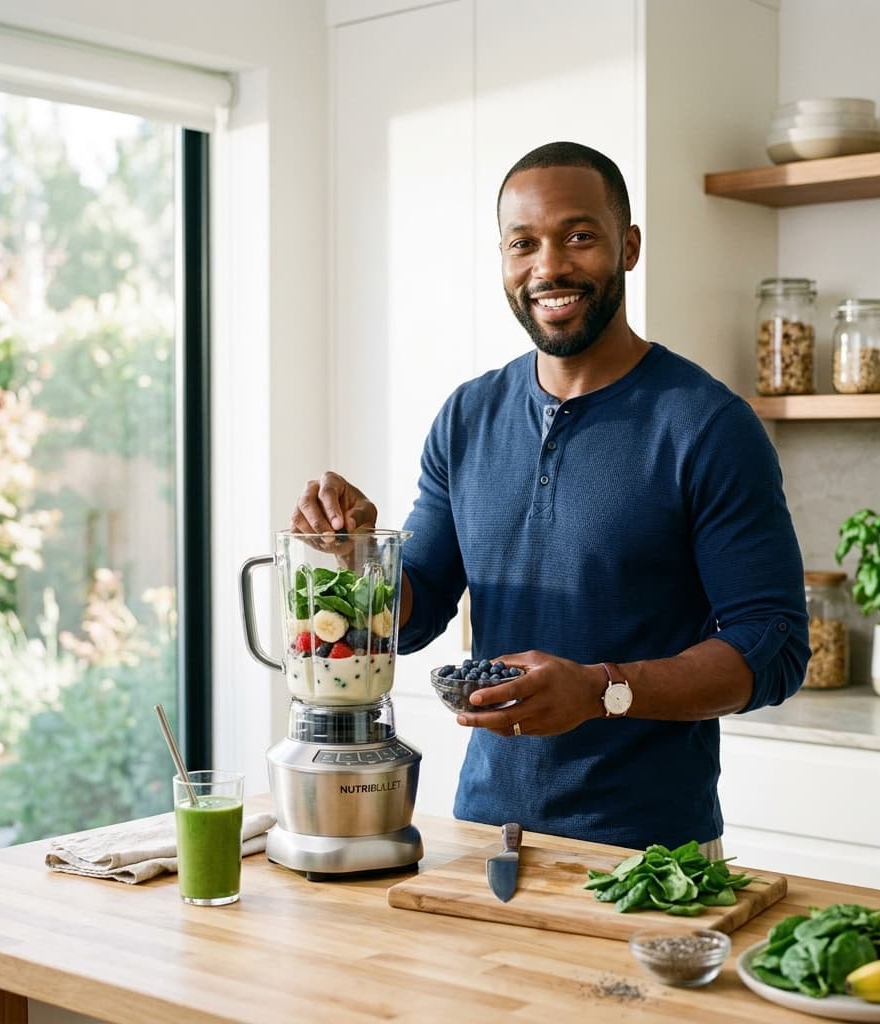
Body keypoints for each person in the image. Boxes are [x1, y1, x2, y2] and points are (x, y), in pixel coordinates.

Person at [292, 141, 809, 853]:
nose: (549, 267)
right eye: (523, 243)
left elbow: (772, 647)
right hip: (482, 837)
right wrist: (356, 555)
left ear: (628, 247)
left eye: (579, 236)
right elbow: (415, 611)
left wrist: (602, 690)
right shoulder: (467, 417)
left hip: (651, 859)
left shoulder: (706, 425)